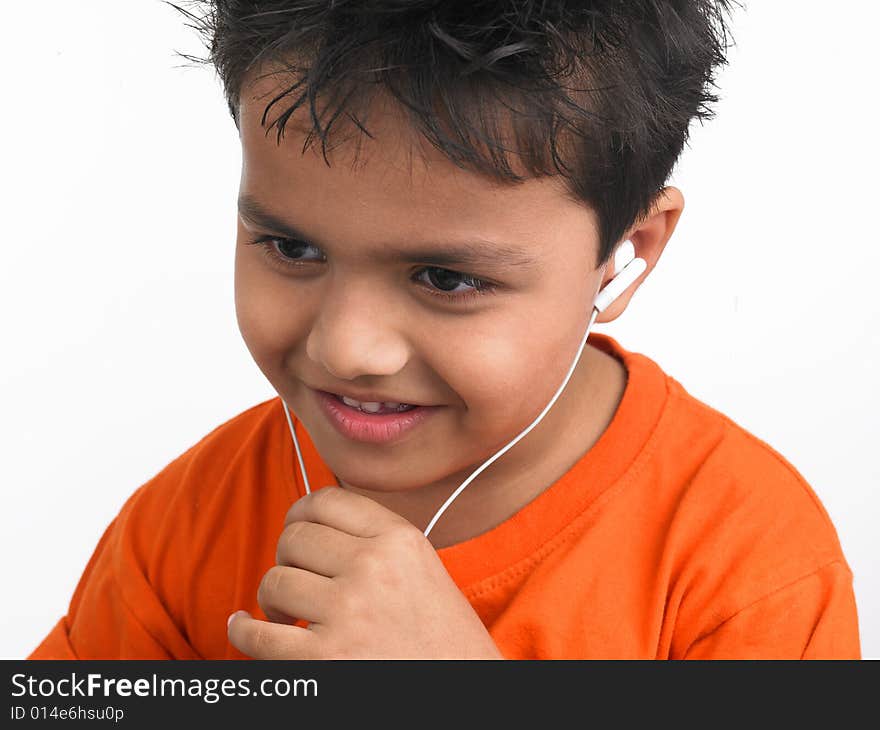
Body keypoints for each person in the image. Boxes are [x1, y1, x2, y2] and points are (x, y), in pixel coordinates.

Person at [28, 0, 859, 659]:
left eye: (448, 278)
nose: (346, 348)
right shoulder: (191, 519)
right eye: (291, 247)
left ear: (625, 253)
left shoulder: (745, 567)